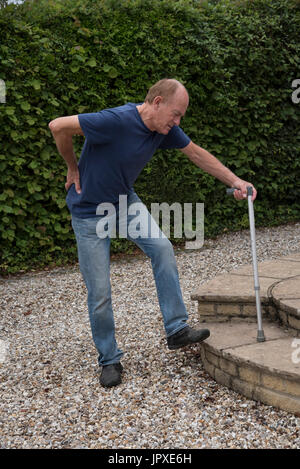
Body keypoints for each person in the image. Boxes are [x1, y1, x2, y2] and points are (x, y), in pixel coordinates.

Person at [49, 78, 257, 388]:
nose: (178, 122)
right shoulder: (115, 121)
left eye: (181, 117)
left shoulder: (164, 130)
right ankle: (109, 359)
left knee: (162, 248)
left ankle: (176, 329)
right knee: (100, 293)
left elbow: (197, 153)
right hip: (88, 212)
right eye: (176, 114)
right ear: (156, 102)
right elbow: (57, 126)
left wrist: (235, 181)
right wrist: (71, 166)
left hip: (123, 203)